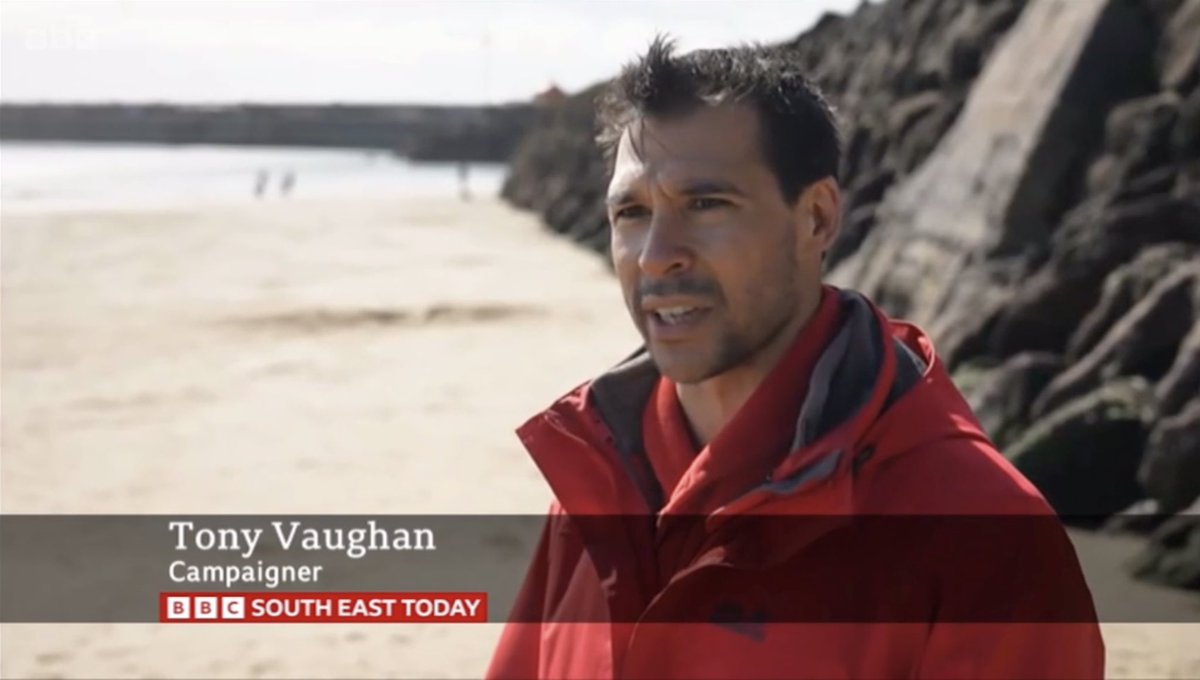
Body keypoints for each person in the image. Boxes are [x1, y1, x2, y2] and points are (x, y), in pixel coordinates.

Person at [486, 37, 1104, 679]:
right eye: (632, 213)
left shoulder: (984, 535)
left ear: (817, 218)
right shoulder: (594, 482)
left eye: (705, 204)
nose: (655, 255)